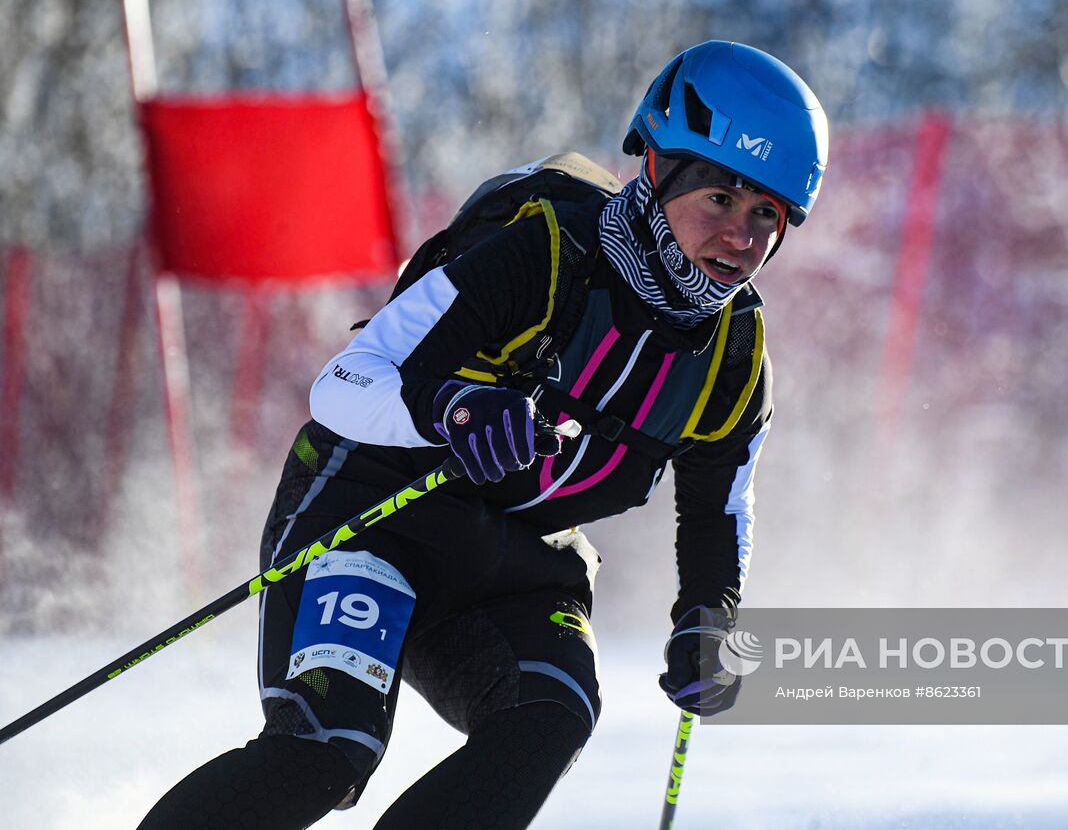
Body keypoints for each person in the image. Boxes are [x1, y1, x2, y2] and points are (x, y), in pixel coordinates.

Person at [139, 40, 828, 829]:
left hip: (513, 555)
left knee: (554, 708)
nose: (740, 238)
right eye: (720, 198)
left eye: (766, 216)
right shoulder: (542, 254)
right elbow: (345, 383)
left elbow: (719, 510)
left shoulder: (733, 360)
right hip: (374, 518)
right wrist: (455, 408)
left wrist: (710, 616)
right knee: (328, 749)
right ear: (659, 169)